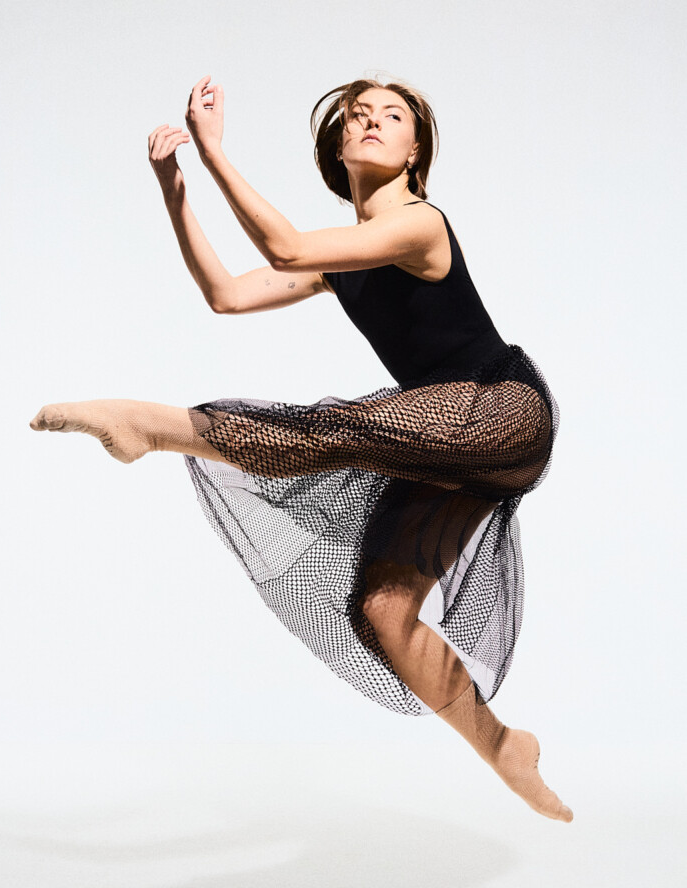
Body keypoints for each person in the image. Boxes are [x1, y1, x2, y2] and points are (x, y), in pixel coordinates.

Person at [30, 74, 572, 822]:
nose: (372, 121)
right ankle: (502, 745)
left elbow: (284, 247)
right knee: (383, 611)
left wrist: (216, 153)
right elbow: (225, 294)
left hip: (500, 409)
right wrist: (175, 187)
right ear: (338, 148)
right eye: (358, 115)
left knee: (341, 429)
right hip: (442, 442)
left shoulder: (419, 224)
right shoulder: (337, 264)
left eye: (393, 116)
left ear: (416, 152)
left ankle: (150, 426)